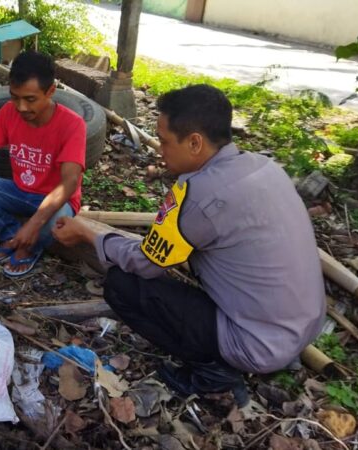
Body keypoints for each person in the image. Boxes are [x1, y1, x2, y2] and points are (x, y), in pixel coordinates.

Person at [52, 84, 325, 406]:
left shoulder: (199, 193)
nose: (160, 151)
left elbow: (146, 263)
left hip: (256, 345)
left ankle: (214, 372)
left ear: (195, 142)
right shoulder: (264, 167)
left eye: (166, 142)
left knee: (122, 284)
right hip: (304, 327)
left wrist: (89, 234)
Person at [0, 50, 86, 277]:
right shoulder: (8, 112)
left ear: (50, 91)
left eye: (30, 99)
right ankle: (12, 235)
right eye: (15, 97)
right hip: (20, 192)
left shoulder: (73, 124)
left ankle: (30, 246)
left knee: (55, 224)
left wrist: (35, 223)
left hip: (57, 201)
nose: (21, 107)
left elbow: (69, 182)